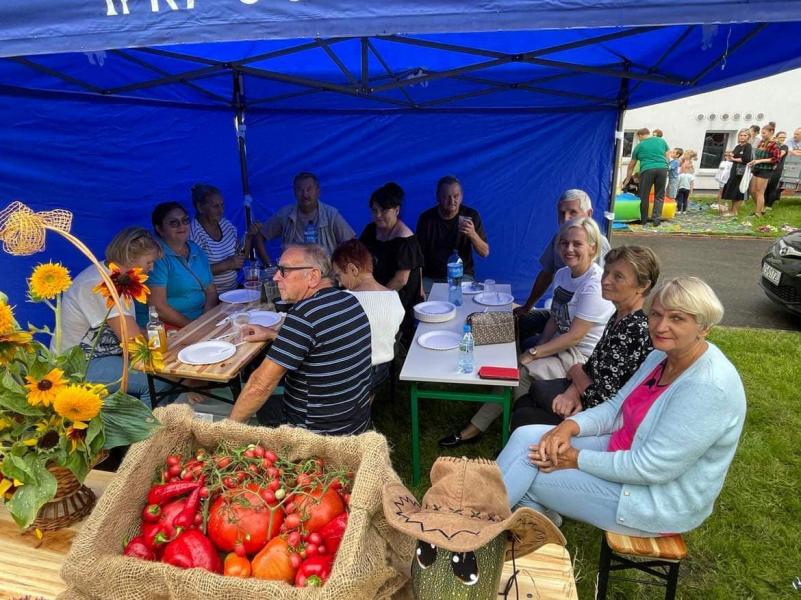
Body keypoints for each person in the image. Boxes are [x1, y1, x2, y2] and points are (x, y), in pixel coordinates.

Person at [496, 276, 746, 536]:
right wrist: (568, 427)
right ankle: (529, 523)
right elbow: (616, 408)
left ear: (703, 327)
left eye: (677, 318)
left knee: (532, 473)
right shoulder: (660, 355)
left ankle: (479, 529)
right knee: (527, 437)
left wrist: (575, 459)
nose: (661, 326)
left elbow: (650, 468)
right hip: (625, 451)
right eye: (656, 315)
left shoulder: (707, 387)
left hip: (654, 500)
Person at [439, 217, 614, 448]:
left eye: (577, 244)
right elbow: (554, 316)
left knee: (518, 372)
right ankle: (512, 428)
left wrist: (534, 352)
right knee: (516, 366)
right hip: (562, 347)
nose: (568, 249)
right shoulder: (563, 274)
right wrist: (540, 346)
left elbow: (575, 336)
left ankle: (493, 431)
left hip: (581, 358)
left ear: (593, 247)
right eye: (564, 243)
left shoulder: (594, 285)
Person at [228, 244, 373, 434]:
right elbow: (323, 344)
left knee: (257, 402)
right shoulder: (349, 301)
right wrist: (274, 334)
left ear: (313, 276)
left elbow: (260, 386)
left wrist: (226, 431)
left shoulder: (303, 316)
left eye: (284, 271)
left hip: (315, 433)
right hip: (355, 424)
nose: (275, 277)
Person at [510, 246, 658, 430]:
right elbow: (591, 366)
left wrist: (575, 374)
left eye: (618, 276)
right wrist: (573, 389)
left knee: (525, 414)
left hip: (609, 417)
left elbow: (602, 399)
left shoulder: (634, 329)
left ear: (643, 286)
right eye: (607, 272)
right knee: (528, 402)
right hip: (587, 393)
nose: (606, 281)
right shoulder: (620, 316)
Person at [61, 227, 168, 408]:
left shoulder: (117, 276)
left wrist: (162, 340)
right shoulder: (101, 283)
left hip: (104, 354)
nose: (152, 268)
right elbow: (132, 342)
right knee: (159, 383)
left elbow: (129, 326)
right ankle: (148, 434)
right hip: (79, 363)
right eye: (149, 262)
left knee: (163, 369)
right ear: (129, 257)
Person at [514, 189, 611, 347]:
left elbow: (606, 291)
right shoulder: (559, 239)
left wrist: (537, 351)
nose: (566, 219)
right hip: (561, 314)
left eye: (573, 212)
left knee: (531, 347)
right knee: (522, 322)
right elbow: (546, 273)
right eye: (562, 213)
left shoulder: (598, 243)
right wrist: (527, 306)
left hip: (582, 324)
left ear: (589, 213)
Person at [331, 239, 405, 395]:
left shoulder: (344, 300)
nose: (339, 284)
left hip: (352, 373)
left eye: (339, 276)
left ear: (353, 269)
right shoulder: (394, 297)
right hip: (382, 370)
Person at [358, 182, 424, 336]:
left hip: (397, 296)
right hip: (374, 289)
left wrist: (376, 300)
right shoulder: (370, 230)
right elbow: (358, 257)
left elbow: (400, 280)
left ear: (397, 210)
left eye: (384, 210)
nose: (378, 215)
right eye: (375, 211)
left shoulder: (406, 239)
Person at [141, 202, 218, 328]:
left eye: (185, 220)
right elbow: (158, 307)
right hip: (171, 326)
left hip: (201, 319)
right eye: (174, 223)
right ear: (159, 229)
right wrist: (194, 328)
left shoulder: (195, 249)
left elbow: (211, 292)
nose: (182, 226)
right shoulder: (156, 257)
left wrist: (205, 321)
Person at [189, 183, 266, 293]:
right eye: (215, 206)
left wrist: (248, 236)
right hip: (209, 297)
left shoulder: (225, 225)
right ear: (200, 207)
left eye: (222, 205)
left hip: (232, 291)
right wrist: (226, 264)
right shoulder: (194, 233)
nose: (221, 210)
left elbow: (239, 259)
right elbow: (192, 272)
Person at [416, 175, 489, 291]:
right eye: (446, 197)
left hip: (462, 276)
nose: (452, 201)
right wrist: (418, 285)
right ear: (438, 197)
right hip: (431, 277)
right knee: (422, 303)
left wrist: (472, 234)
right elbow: (417, 257)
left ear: (461, 196)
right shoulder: (426, 219)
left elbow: (484, 252)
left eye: (456, 196)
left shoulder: (470, 215)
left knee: (462, 303)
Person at [258, 172, 355, 255]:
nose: (305, 194)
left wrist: (339, 267)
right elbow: (259, 236)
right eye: (300, 190)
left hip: (325, 273)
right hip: (292, 273)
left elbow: (352, 243)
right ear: (294, 192)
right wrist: (268, 265)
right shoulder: (285, 214)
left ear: (318, 191)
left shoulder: (331, 215)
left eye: (309, 189)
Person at [622, 128, 670, 227]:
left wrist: (627, 179)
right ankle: (656, 220)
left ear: (640, 135)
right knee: (659, 196)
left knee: (644, 196)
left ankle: (643, 220)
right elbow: (667, 157)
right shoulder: (661, 141)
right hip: (662, 169)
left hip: (647, 170)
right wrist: (665, 167)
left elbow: (631, 165)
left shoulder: (639, 146)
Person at [748, 122, 781, 217]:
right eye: (762, 133)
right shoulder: (761, 142)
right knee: (752, 191)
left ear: (771, 132)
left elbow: (776, 159)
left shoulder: (775, 144)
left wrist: (760, 161)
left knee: (759, 191)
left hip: (766, 170)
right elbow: (757, 155)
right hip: (757, 168)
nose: (762, 135)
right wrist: (754, 161)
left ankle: (758, 213)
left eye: (764, 133)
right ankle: (761, 209)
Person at [721, 129, 753, 216]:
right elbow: (733, 155)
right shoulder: (738, 146)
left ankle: (735, 211)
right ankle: (732, 209)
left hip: (741, 172)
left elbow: (745, 159)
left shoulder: (748, 146)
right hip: (734, 170)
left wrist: (733, 159)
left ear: (748, 137)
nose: (742, 137)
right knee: (733, 190)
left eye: (745, 135)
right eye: (741, 135)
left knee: (738, 191)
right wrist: (730, 155)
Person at [765, 131, 789, 208]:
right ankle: (764, 203)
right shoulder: (773, 145)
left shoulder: (784, 147)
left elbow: (779, 155)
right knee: (766, 186)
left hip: (777, 168)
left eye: (783, 137)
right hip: (769, 167)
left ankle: (769, 205)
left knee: (772, 186)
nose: (782, 139)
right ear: (776, 137)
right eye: (780, 137)